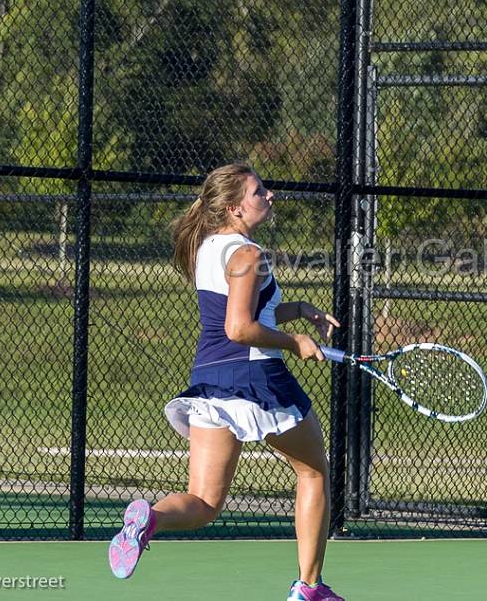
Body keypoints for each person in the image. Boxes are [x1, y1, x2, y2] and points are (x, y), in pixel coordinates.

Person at [107, 163, 345, 601]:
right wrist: (295, 342)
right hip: (256, 377)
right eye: (259, 191)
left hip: (210, 379)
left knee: (203, 503)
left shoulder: (208, 249)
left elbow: (242, 313)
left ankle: (150, 519)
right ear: (235, 207)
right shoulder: (249, 255)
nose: (270, 195)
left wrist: (299, 309)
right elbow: (239, 327)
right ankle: (309, 589)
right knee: (313, 472)